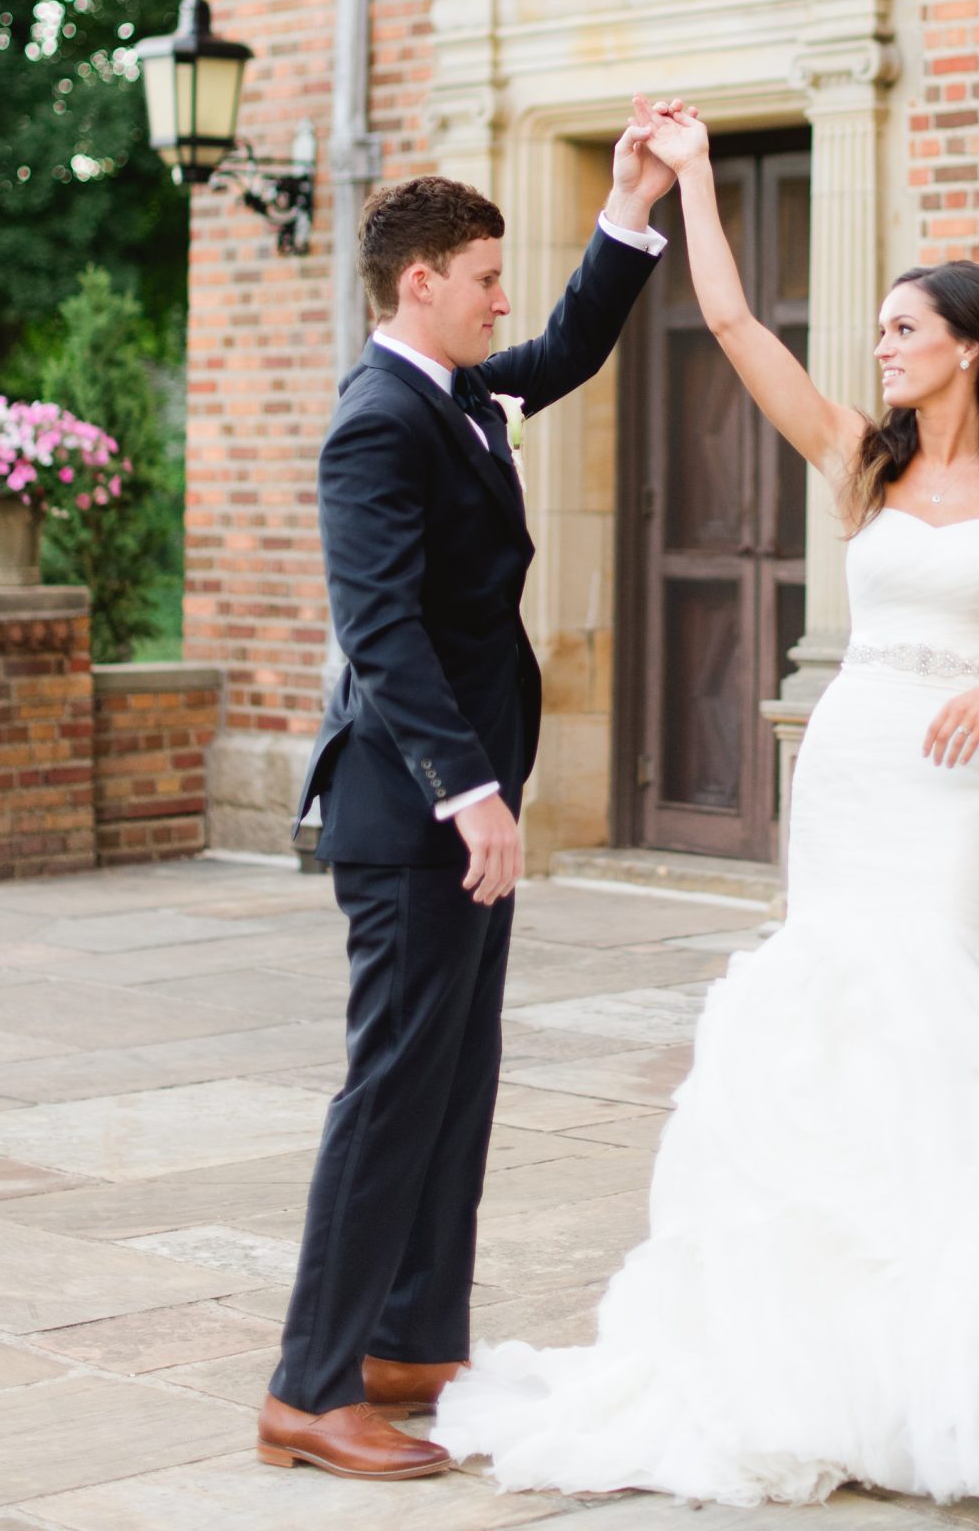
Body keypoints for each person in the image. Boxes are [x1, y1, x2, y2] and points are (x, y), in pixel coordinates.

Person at [437, 98, 979, 1504]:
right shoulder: (859, 460)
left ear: (969, 348)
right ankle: (822, 1359)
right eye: (877, 327)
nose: (879, 345)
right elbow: (740, 326)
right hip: (855, 760)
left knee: (942, 1018)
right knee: (832, 1016)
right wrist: (692, 178)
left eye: (900, 327)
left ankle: (955, 1353)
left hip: (958, 784)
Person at [257, 118, 673, 1479]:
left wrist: (628, 209)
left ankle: (409, 1340)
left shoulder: (453, 392)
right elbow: (380, 635)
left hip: (455, 810)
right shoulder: (375, 423)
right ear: (419, 281)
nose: (505, 296)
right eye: (487, 275)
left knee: (455, 1077)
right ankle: (310, 1388)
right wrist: (472, 795)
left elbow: (561, 352)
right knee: (391, 1089)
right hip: (411, 813)